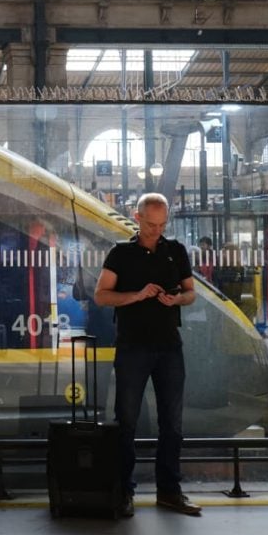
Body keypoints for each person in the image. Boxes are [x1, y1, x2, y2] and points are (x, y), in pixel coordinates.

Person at [94, 192, 201, 517]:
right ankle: (123, 491)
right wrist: (138, 295)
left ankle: (169, 491)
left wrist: (176, 300)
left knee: (173, 423)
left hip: (169, 346)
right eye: (151, 224)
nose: (157, 231)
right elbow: (101, 295)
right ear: (137, 218)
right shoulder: (121, 253)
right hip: (132, 347)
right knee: (126, 421)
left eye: (162, 224)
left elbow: (191, 293)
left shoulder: (176, 251)